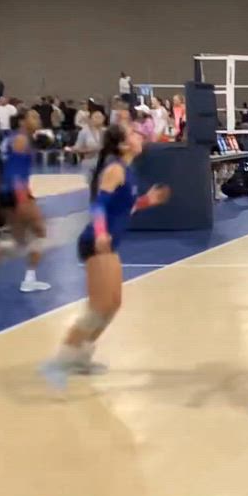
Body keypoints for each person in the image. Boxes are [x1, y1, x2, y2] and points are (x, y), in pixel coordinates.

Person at [40, 124, 170, 387]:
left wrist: (148, 201)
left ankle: (81, 355)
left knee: (112, 304)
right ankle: (61, 361)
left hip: (109, 243)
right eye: (133, 133)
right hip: (95, 242)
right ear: (122, 145)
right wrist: (100, 233)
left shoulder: (128, 171)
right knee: (99, 306)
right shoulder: (115, 170)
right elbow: (99, 205)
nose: (139, 135)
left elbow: (124, 207)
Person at [0, 108, 52, 293]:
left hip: (7, 192)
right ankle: (29, 279)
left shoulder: (13, 138)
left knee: (19, 241)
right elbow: (15, 172)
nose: (38, 119)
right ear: (22, 121)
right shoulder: (21, 140)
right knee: (39, 232)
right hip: (17, 193)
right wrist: (22, 200)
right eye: (33, 116)